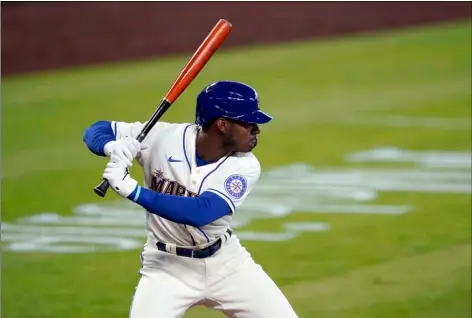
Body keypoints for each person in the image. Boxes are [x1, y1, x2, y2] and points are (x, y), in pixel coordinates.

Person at [83, 80, 298, 318]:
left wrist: (132, 190)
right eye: (248, 122)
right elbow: (96, 129)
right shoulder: (162, 137)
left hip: (227, 265)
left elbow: (201, 212)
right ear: (223, 124)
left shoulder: (245, 166)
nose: (256, 129)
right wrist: (111, 146)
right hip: (166, 268)